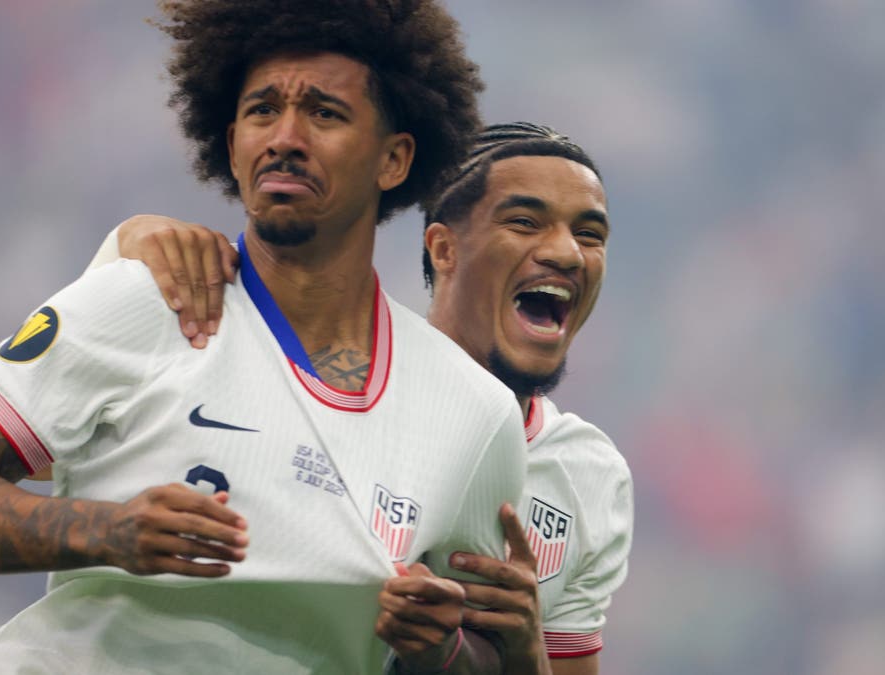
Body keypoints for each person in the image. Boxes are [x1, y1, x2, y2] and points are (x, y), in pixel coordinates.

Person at [0, 2, 528, 673]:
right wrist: (108, 528)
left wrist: (440, 646)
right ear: (232, 142)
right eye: (261, 111)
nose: (284, 137)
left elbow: (488, 653)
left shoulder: (475, 415)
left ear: (394, 158)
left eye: (325, 113)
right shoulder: (144, 298)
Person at [103, 122, 634, 675]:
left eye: (590, 234)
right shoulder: (329, 390)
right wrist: (130, 242)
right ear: (444, 248)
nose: (568, 253)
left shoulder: (591, 474)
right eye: (525, 222)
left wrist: (523, 655)